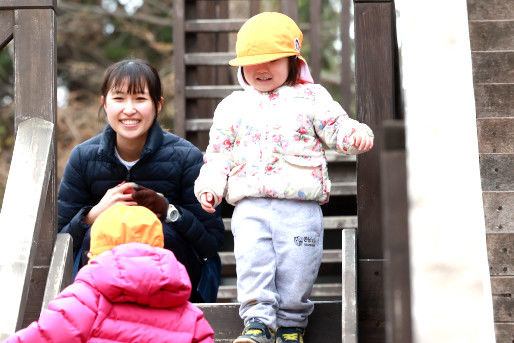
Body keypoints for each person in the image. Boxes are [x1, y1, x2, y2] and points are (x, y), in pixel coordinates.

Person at [194, 12, 374, 343]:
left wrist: (355, 134)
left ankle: (292, 325)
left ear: (293, 60)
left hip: (299, 203)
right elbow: (218, 153)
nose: (261, 69)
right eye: (251, 62)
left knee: (298, 266)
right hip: (250, 204)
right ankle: (258, 324)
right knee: (253, 263)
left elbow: (335, 126)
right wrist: (210, 186)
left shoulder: (312, 97)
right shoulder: (232, 106)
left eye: (272, 60)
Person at [58, 58, 224, 302]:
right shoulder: (84, 157)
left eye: (140, 99)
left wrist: (167, 210)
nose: (129, 109)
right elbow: (60, 240)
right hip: (102, 288)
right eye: (119, 98)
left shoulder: (186, 156)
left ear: (158, 105)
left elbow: (211, 242)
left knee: (163, 234)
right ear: (104, 104)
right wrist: (93, 214)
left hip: (171, 287)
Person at [5, 204, 215, 343]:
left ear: (93, 255)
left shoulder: (83, 302)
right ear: (159, 248)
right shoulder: (188, 314)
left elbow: (41, 337)